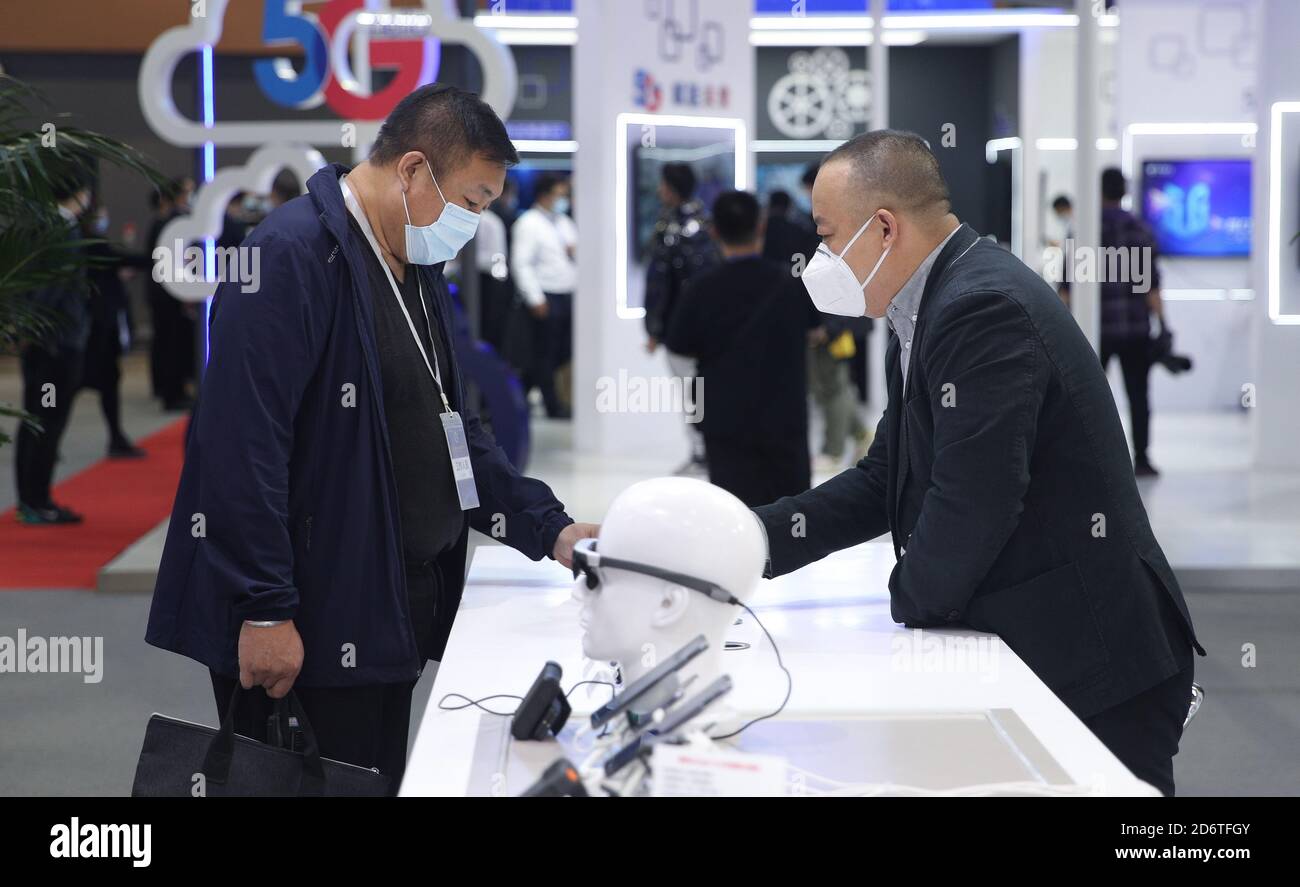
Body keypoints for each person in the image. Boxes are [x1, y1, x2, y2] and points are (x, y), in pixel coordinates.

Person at [147, 84, 598, 794]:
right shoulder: (291, 256)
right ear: (415, 171)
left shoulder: (411, 265)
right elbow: (242, 449)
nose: (475, 223)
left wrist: (551, 527)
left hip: (383, 608)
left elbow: (452, 426)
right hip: (311, 618)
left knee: (373, 781)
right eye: (473, 202)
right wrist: (265, 605)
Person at [753, 131, 1203, 796]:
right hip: (1052, 649)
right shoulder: (925, 307)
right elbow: (886, 476)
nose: (818, 256)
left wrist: (907, 602)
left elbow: (975, 501)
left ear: (882, 228)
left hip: (1096, 663)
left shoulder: (978, 307)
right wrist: (745, 539)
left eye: (826, 235)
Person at [665, 191, 818, 507]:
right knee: (790, 520)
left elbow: (680, 347)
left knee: (735, 517)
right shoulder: (790, 285)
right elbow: (815, 333)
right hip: (784, 419)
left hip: (725, 422)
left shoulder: (700, 289)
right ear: (761, 226)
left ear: (714, 231)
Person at [764, 188, 871, 472]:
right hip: (832, 324)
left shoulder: (830, 240)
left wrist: (826, 325)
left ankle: (833, 450)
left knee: (831, 386)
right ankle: (861, 435)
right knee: (831, 385)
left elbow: (836, 283)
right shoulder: (820, 234)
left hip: (832, 325)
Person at [14, 177, 93, 524]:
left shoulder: (38, 226)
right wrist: (37, 329)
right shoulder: (65, 230)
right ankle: (38, 501)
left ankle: (30, 499)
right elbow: (56, 287)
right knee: (48, 420)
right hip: (57, 345)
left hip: (42, 343)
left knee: (35, 419)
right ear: (79, 192)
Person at [643, 162, 719, 474]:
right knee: (700, 390)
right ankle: (703, 450)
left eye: (663, 185)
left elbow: (661, 284)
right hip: (707, 327)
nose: (659, 191)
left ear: (672, 188)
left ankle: (702, 452)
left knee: (692, 391)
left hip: (681, 330)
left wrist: (654, 328)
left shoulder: (672, 230)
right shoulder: (706, 223)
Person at [1099, 168, 1164, 478]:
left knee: (1088, 397)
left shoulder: (1086, 228)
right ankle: (1142, 458)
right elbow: (1149, 286)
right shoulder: (1139, 229)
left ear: (1099, 191)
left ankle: (1094, 460)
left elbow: (1069, 289)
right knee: (1138, 396)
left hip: (1096, 330)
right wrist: (1163, 323)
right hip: (1136, 328)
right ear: (1124, 192)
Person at [80, 200, 146, 458]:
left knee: (105, 382)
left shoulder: (90, 245)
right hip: (97, 328)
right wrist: (163, 257)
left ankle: (116, 436)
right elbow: (124, 259)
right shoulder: (93, 245)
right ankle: (44, 433)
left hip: (98, 328)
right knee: (60, 387)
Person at [510, 172, 576, 418]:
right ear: (545, 195)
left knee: (561, 353)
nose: (563, 199)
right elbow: (521, 263)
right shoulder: (528, 223)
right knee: (543, 355)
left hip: (567, 295)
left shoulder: (564, 223)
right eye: (559, 194)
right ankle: (552, 404)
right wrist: (535, 298)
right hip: (546, 296)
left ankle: (549, 397)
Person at [145, 179, 196, 411]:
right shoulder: (174, 222)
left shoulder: (168, 221)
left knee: (169, 343)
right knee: (171, 344)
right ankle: (171, 393)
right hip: (169, 292)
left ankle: (171, 389)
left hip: (166, 291)